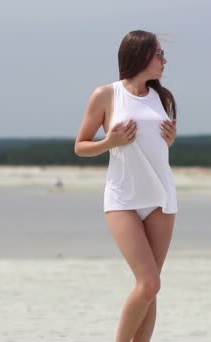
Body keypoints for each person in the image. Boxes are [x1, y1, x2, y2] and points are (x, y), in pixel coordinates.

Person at [74, 30, 178, 342]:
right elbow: (80, 146)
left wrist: (170, 140)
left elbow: (157, 146)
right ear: (140, 54)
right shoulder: (106, 95)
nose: (164, 60)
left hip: (161, 197)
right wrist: (110, 141)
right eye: (159, 53)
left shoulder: (162, 98)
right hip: (123, 199)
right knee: (148, 283)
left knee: (152, 287)